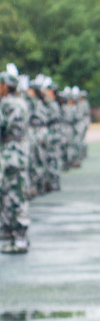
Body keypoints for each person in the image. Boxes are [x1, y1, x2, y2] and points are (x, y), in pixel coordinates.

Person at [0, 69, 31, 254]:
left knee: (14, 196)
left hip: (11, 154)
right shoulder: (20, 102)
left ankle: (19, 239)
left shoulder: (7, 104)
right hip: (17, 153)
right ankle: (15, 236)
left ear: (5, 86)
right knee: (15, 194)